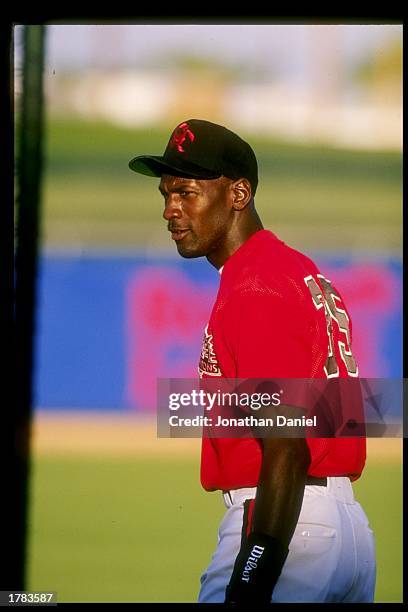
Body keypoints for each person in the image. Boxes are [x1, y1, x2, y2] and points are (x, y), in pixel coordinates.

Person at [128, 119, 376, 603]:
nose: (170, 210)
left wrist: (253, 571)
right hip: (341, 530)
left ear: (238, 194)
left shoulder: (256, 284)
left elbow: (287, 444)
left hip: (290, 530)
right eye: (165, 194)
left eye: (186, 192)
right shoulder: (295, 269)